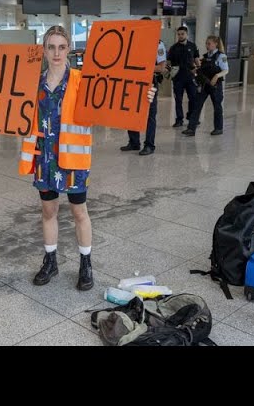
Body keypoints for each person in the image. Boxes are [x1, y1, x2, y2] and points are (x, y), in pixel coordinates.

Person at [19, 26, 156, 291]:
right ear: (44, 50)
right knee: (48, 210)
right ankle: (50, 260)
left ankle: (86, 263)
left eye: (61, 47)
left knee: (79, 211)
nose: (56, 52)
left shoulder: (84, 80)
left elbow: (114, 99)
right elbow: (15, 114)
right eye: (51, 47)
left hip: (73, 158)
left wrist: (143, 96)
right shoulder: (33, 83)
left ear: (69, 49)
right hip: (44, 158)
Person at [120, 16, 166, 156]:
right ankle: (134, 142)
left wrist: (143, 67)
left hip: (149, 83)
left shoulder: (158, 45)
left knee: (150, 115)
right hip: (133, 83)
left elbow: (161, 67)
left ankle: (149, 145)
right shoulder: (133, 43)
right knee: (131, 113)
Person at [182, 35, 229, 137]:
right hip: (204, 84)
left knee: (217, 106)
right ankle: (191, 128)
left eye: (209, 44)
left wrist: (217, 76)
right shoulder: (205, 56)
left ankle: (218, 128)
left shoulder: (221, 56)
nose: (207, 46)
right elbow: (201, 68)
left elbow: (226, 70)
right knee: (197, 105)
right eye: (206, 44)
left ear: (216, 44)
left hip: (215, 85)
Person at [166, 26, 200, 127]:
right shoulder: (173, 48)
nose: (180, 36)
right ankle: (179, 119)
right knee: (178, 99)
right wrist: (169, 73)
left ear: (186, 34)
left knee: (193, 98)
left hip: (190, 77)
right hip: (178, 78)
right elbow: (168, 63)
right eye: (179, 34)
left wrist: (198, 70)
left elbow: (197, 60)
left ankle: (192, 117)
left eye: (182, 34)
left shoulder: (192, 46)